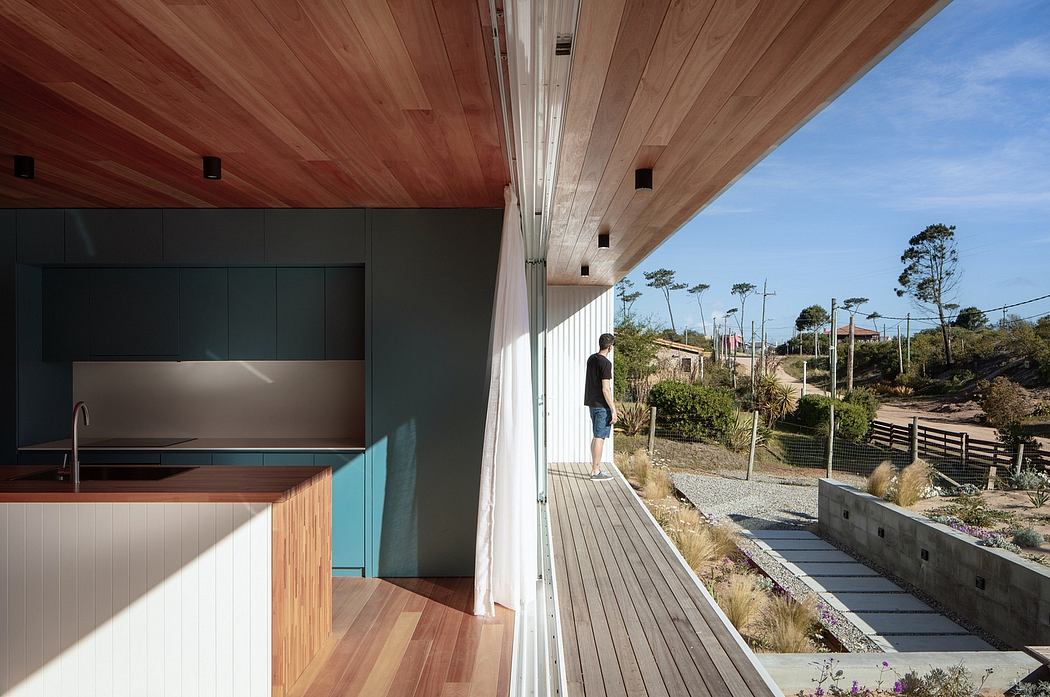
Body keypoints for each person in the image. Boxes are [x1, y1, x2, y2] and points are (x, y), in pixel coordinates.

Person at [584, 333, 617, 480]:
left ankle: (594, 467)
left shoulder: (592, 359)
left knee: (596, 436)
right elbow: (606, 389)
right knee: (600, 437)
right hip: (602, 406)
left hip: (592, 404)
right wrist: (613, 409)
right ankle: (595, 471)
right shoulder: (606, 364)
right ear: (610, 347)